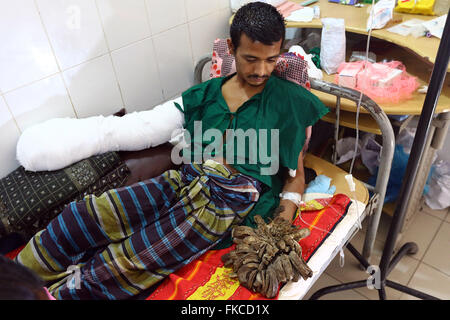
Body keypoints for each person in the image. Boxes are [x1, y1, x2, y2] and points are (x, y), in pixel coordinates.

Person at [15, 2, 328, 300]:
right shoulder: (202, 96)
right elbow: (149, 128)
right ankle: (14, 279)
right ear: (232, 50)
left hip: (228, 201)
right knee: (85, 215)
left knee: (129, 259)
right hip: (184, 180)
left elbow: (294, 176)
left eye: (271, 59)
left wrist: (279, 229)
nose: (262, 70)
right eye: (251, 59)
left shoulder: (289, 101)